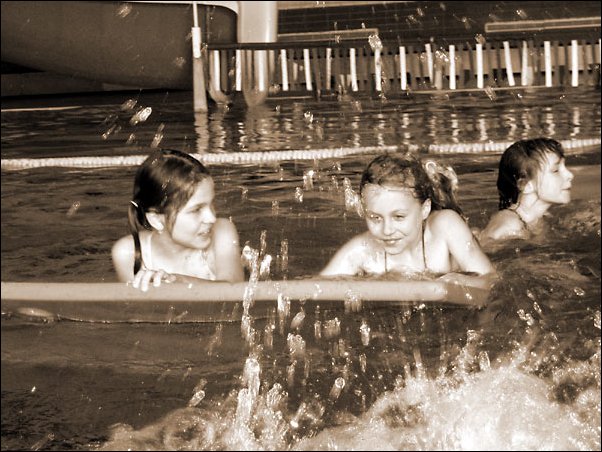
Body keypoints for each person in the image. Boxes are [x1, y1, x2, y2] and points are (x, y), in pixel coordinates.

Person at [320, 153, 496, 289]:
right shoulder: (361, 251)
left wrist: (463, 281)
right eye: (375, 218)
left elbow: (491, 280)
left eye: (399, 217)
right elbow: (316, 289)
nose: (387, 230)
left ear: (425, 209)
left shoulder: (446, 227)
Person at [112, 149, 244, 291]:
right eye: (196, 210)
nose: (211, 218)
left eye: (211, 203)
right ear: (156, 220)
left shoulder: (222, 232)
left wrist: (179, 281)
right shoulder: (128, 254)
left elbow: (235, 290)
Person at [479, 138, 574, 243]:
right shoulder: (509, 226)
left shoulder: (542, 218)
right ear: (526, 185)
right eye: (555, 170)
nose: (570, 175)